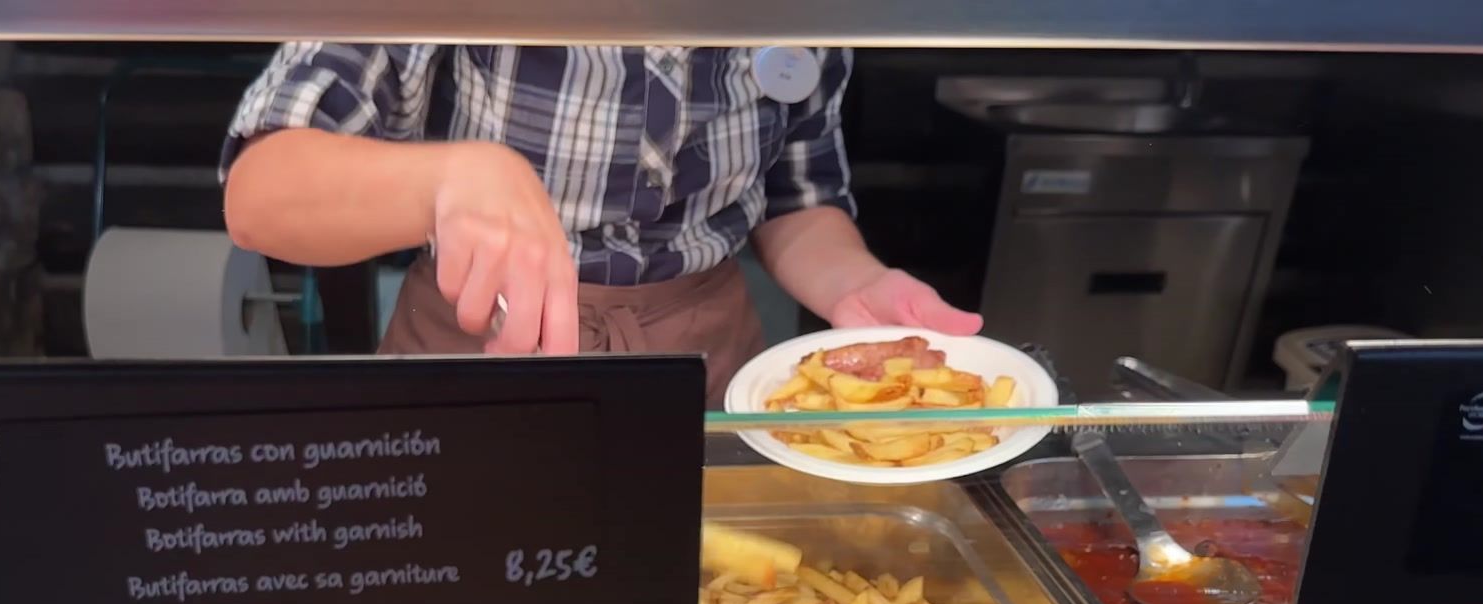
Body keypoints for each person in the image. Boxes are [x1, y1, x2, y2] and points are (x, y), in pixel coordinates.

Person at [222, 45, 982, 400]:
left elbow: (797, 200)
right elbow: (261, 196)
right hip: (475, 359)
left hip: (708, 369)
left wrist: (856, 284)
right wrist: (448, 179)